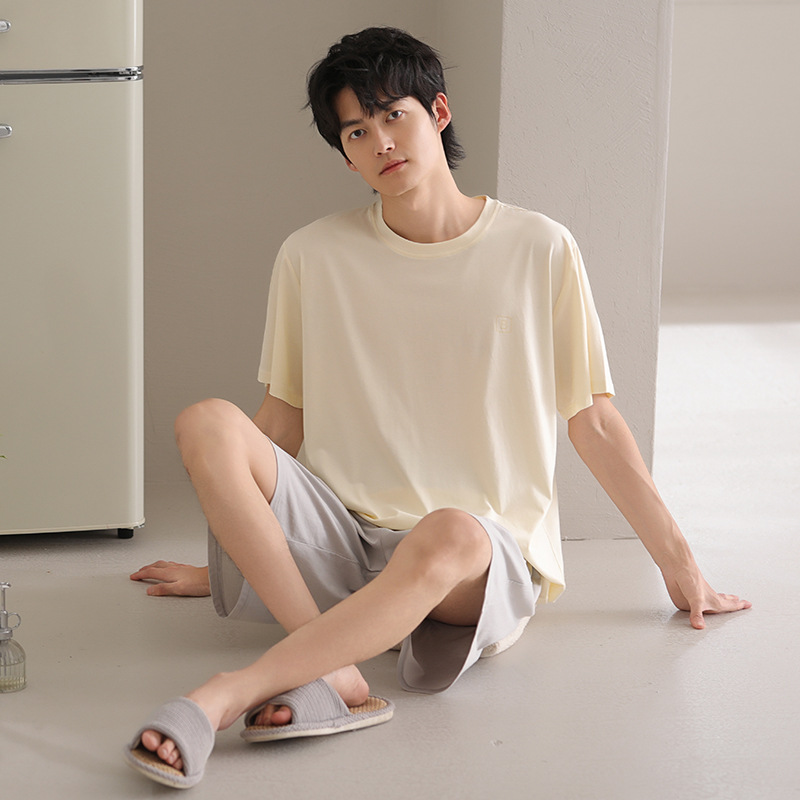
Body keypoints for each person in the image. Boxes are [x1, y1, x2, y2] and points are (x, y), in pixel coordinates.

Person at [124, 27, 750, 789]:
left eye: (394, 115)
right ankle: (337, 672)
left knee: (449, 529)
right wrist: (233, 557)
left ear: (439, 113)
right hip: (341, 544)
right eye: (356, 131)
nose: (380, 142)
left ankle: (227, 694)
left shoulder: (539, 247)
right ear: (345, 156)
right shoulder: (312, 255)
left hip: (467, 561)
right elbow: (280, 422)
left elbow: (593, 421)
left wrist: (682, 568)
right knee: (205, 420)